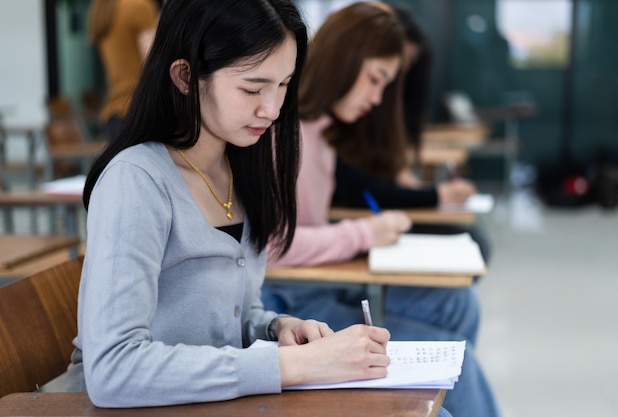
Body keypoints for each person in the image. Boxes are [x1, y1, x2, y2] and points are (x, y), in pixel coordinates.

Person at [67, 0, 398, 408]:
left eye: (283, 85)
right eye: (252, 88)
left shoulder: (239, 164)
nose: (273, 109)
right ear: (185, 76)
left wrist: (274, 328)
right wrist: (294, 366)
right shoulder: (136, 179)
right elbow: (113, 370)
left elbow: (224, 322)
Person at [261, 3, 501, 417]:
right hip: (291, 300)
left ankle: (440, 398)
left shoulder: (320, 132)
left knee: (458, 305)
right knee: (460, 361)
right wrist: (365, 234)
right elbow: (273, 245)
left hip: (315, 283)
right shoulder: (282, 131)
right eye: (375, 80)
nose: (376, 98)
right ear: (343, 61)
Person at [331, 3, 491, 264]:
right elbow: (356, 190)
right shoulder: (332, 117)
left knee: (472, 250)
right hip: (350, 228)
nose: (380, 94)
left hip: (360, 226)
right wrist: (436, 196)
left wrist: (405, 180)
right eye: (377, 77)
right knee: (471, 251)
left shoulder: (367, 111)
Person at [87, 0, 160, 141]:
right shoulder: (138, 7)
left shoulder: (104, 10)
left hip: (115, 112)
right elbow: (154, 64)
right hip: (139, 112)